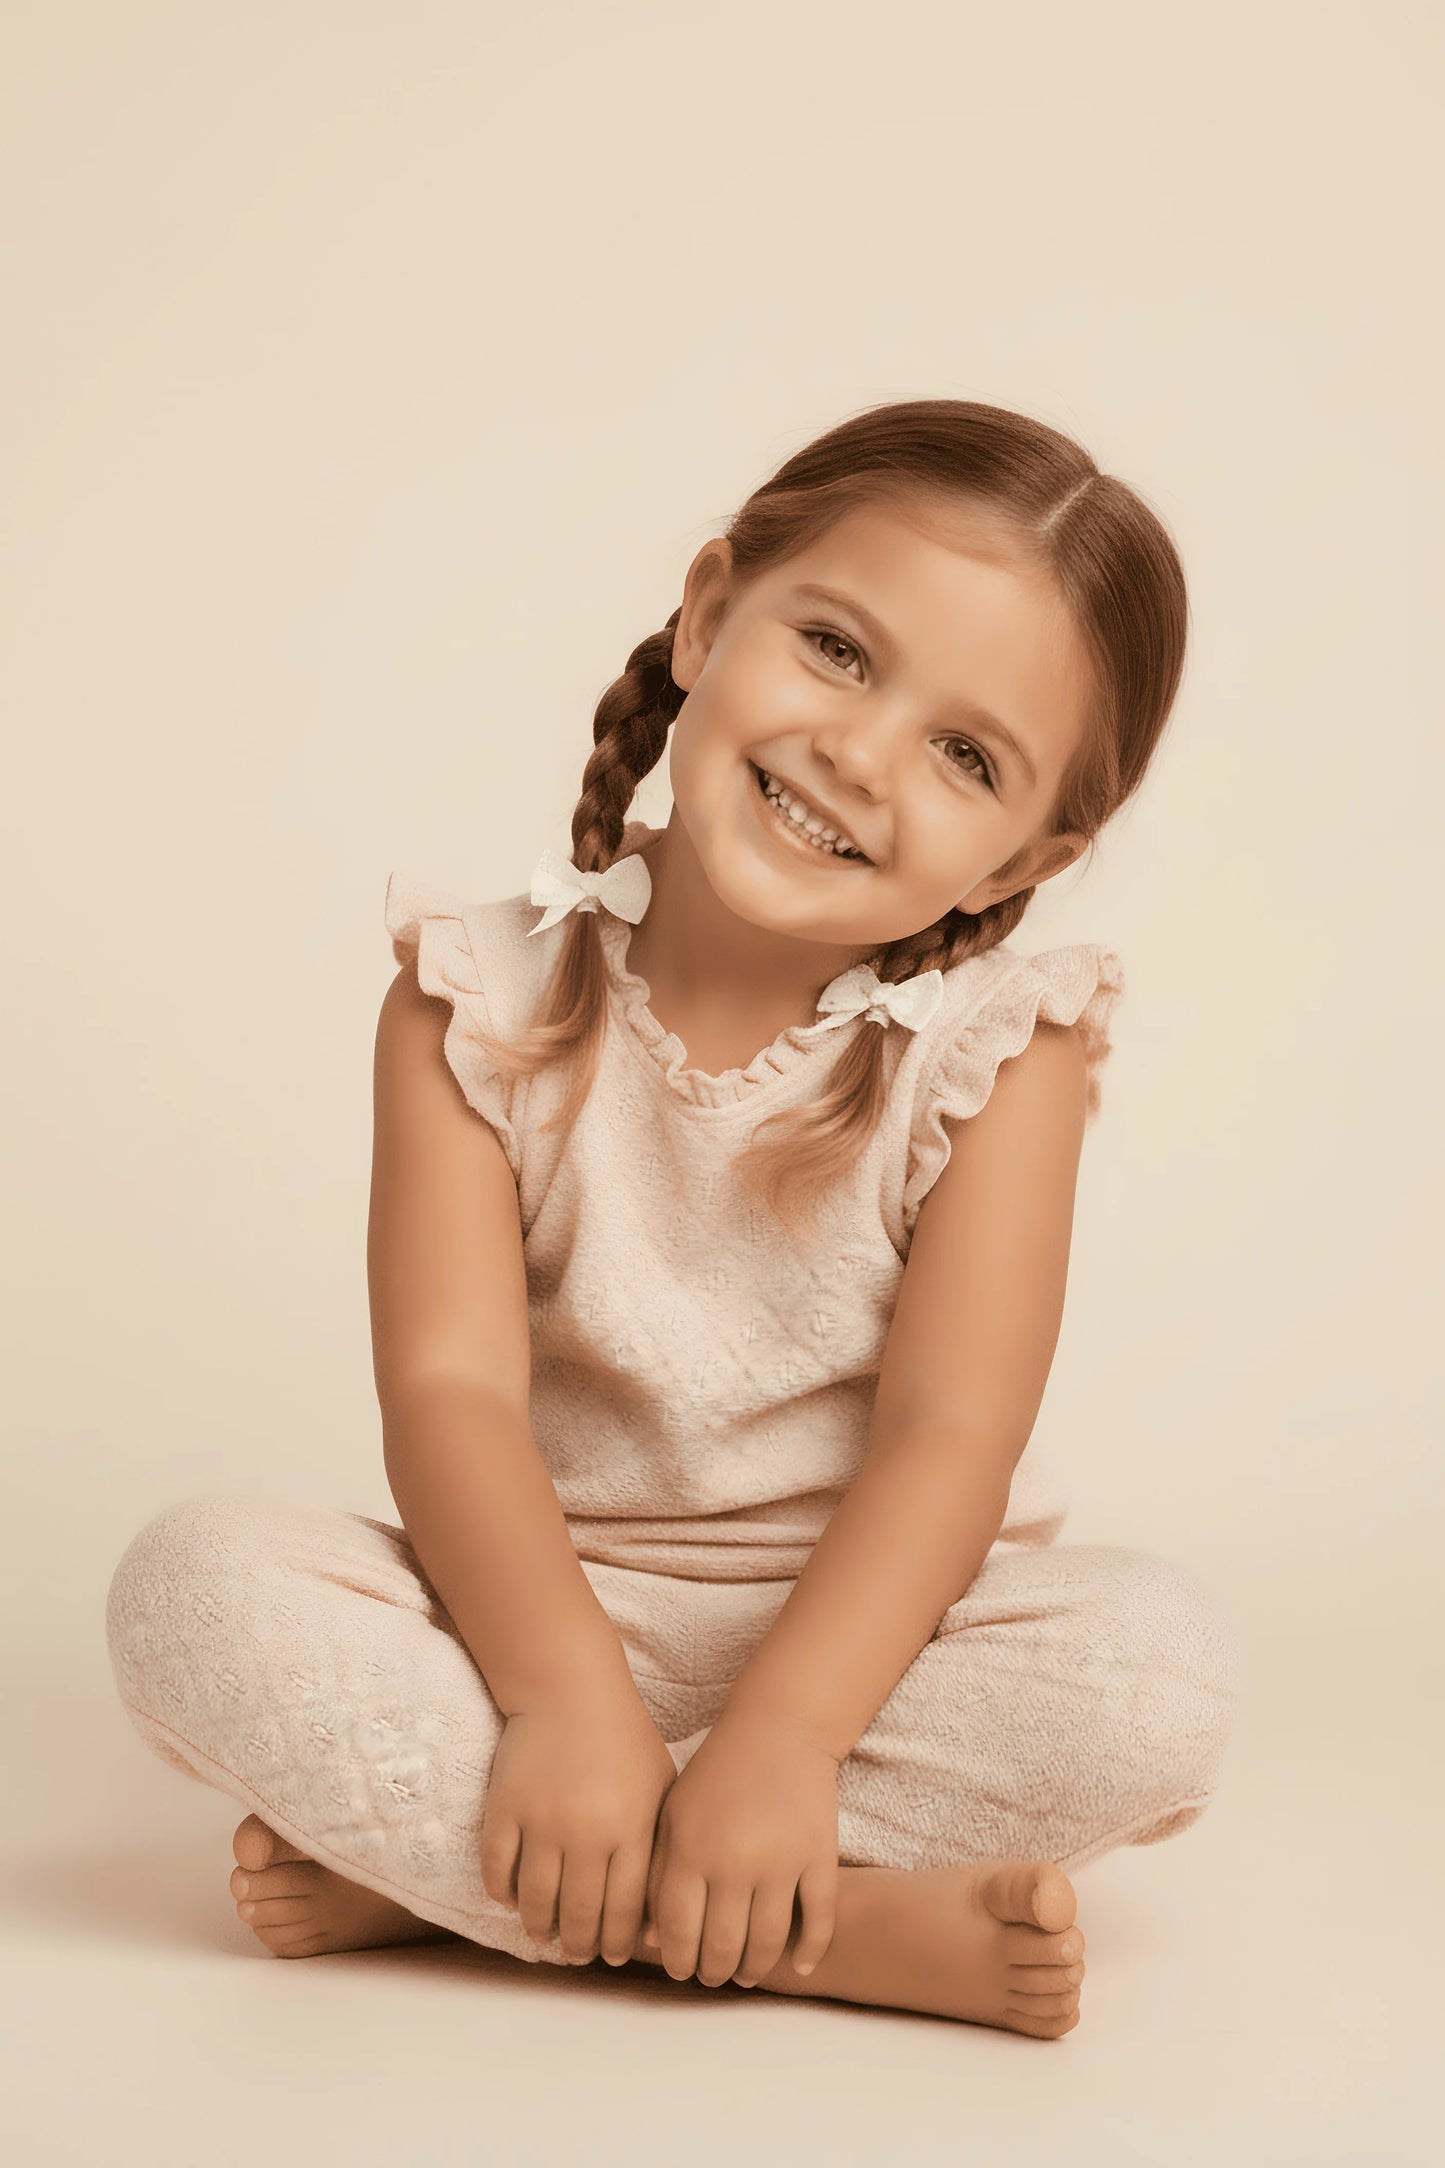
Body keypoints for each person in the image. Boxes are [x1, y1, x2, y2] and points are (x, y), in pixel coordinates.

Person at [105, 398, 1244, 2039]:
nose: (860, 753)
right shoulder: (475, 1001)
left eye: (965, 755)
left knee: (1160, 1674)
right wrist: (563, 1699)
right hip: (524, 1626)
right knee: (189, 1588)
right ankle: (819, 1930)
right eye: (838, 652)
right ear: (711, 611)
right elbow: (451, 1395)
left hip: (871, 1658)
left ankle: (477, 1885)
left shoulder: (996, 1056)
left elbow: (948, 1439)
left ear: (1025, 858)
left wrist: (780, 1744)